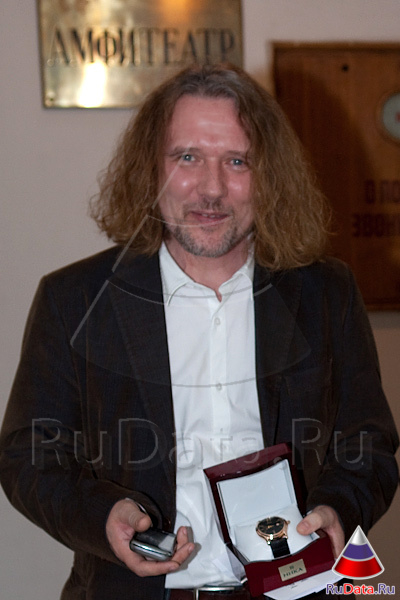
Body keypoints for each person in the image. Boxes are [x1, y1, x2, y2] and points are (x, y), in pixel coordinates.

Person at [0, 64, 398, 600]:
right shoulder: (73, 299)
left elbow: (369, 447)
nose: (212, 189)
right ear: (151, 169)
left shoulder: (327, 293)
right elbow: (28, 455)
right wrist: (102, 514)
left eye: (237, 161)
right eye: (187, 157)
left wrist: (338, 508)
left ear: (270, 176)